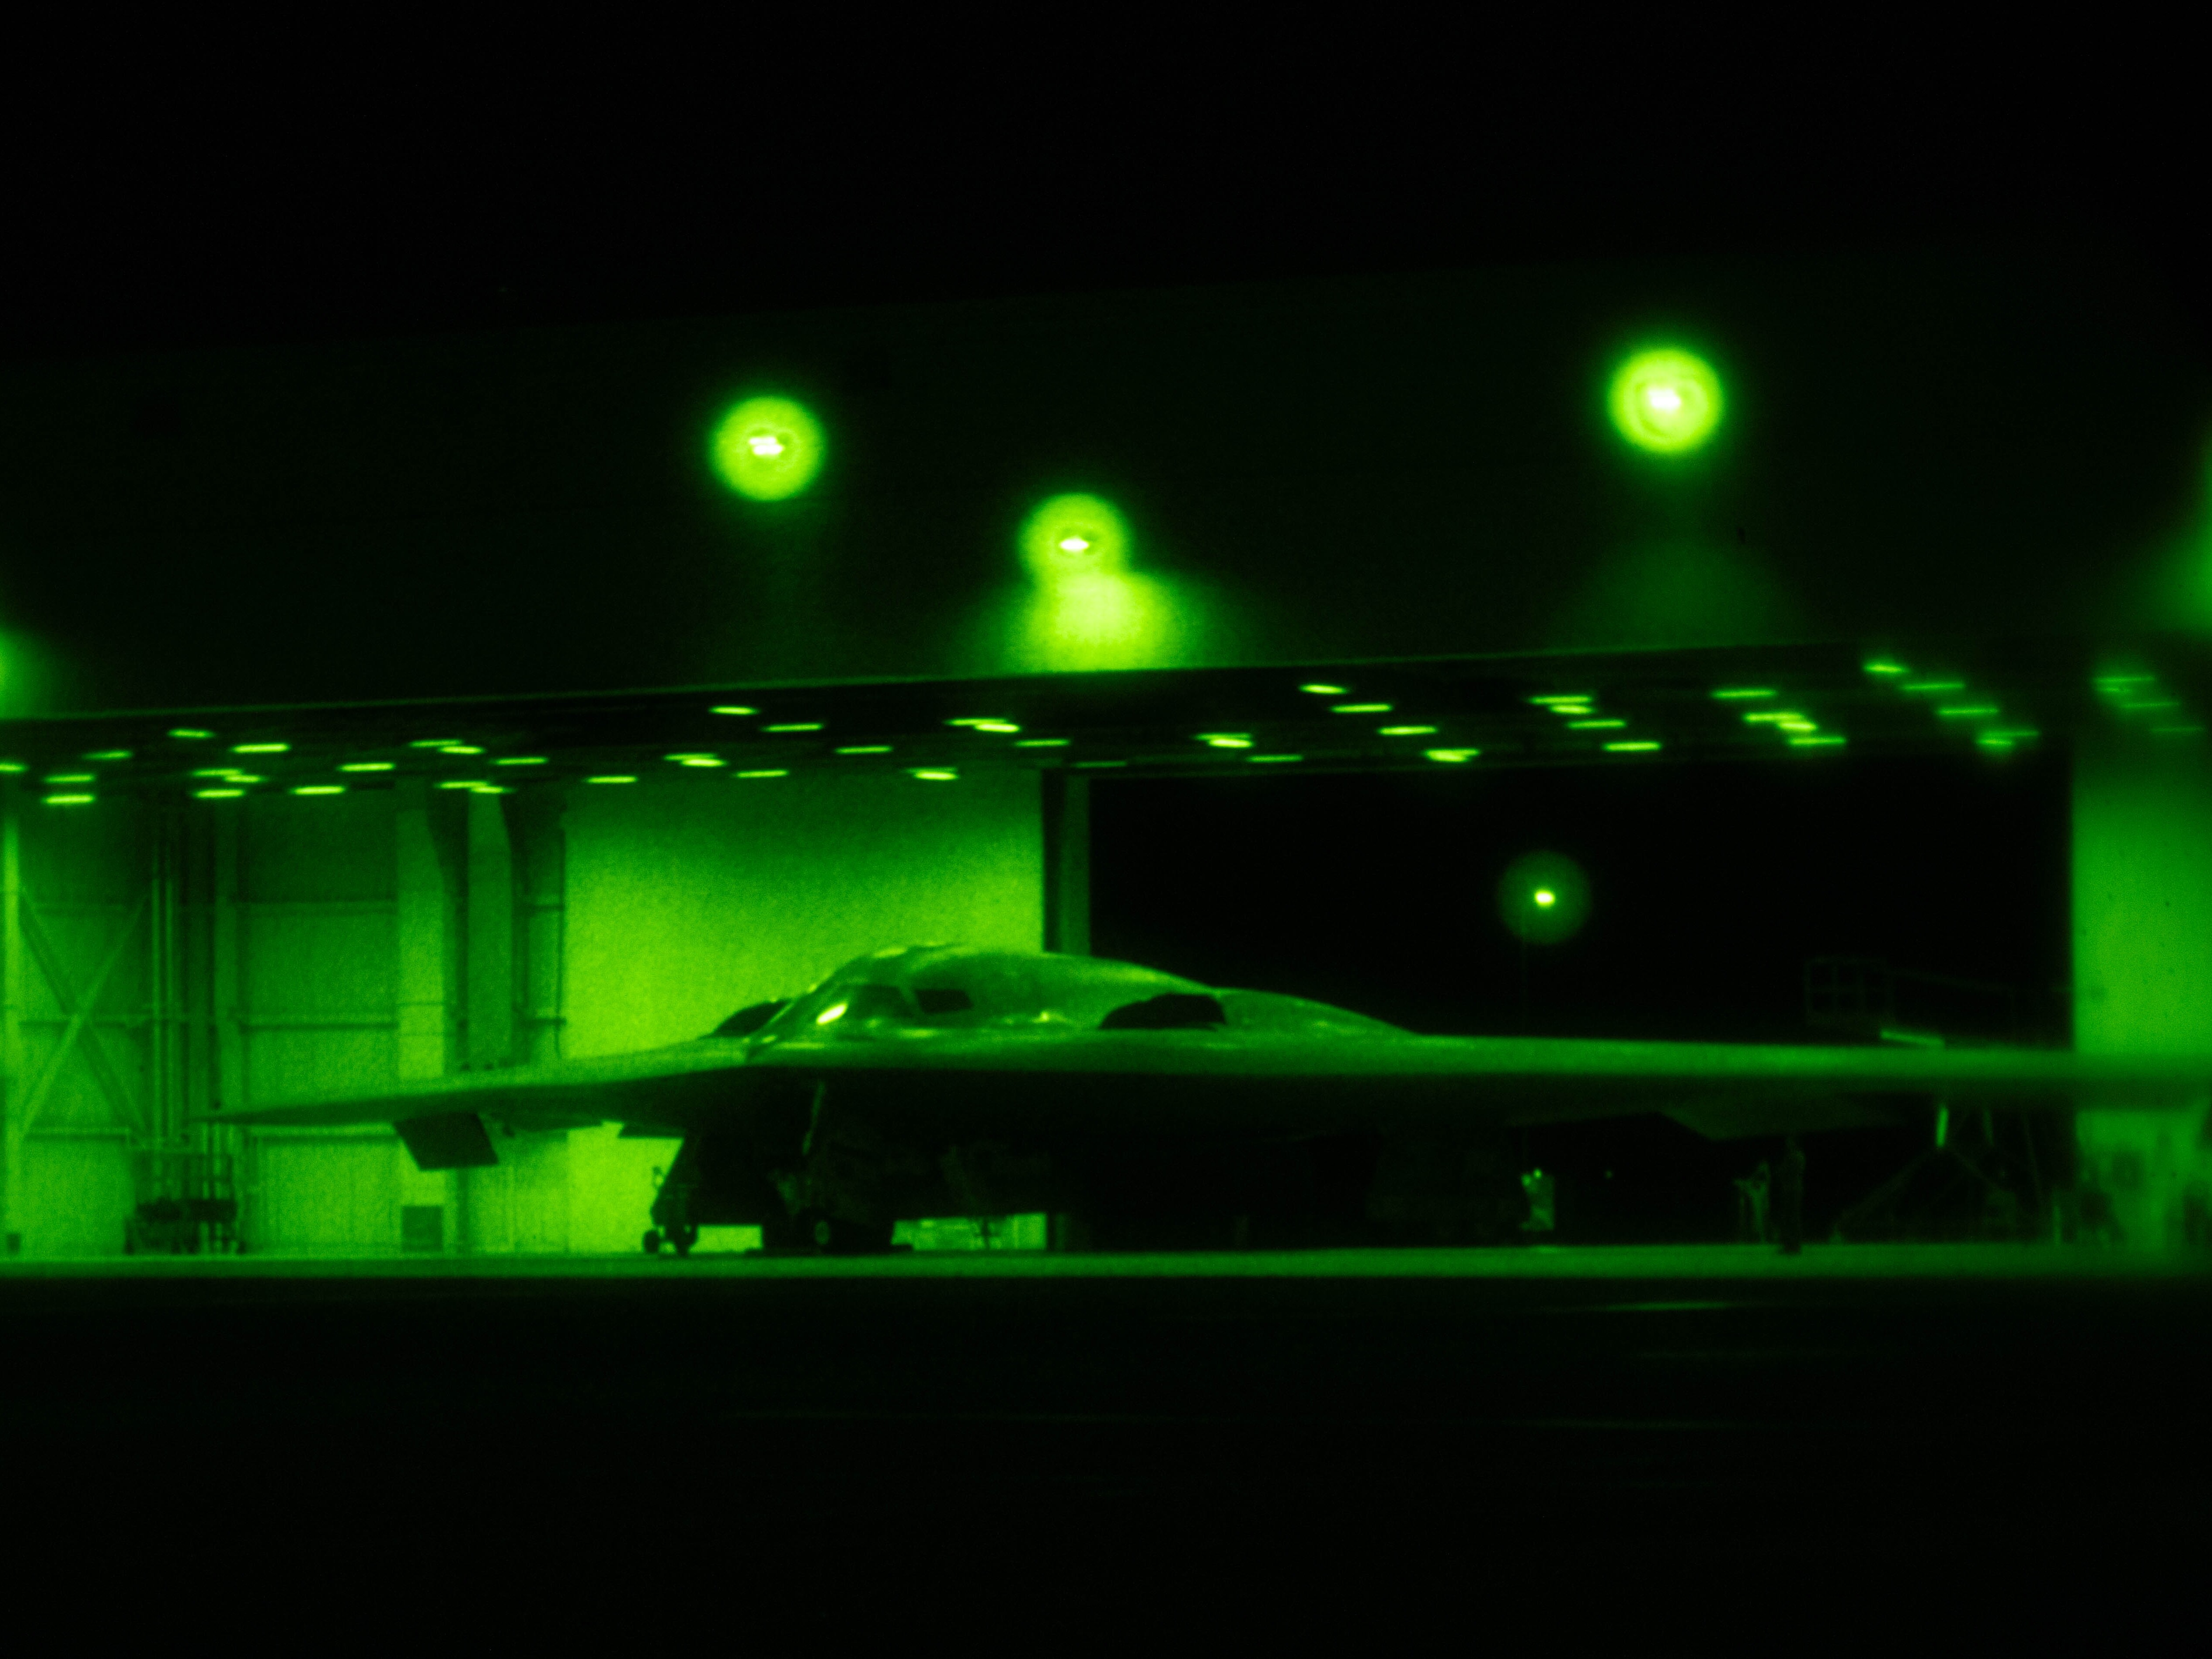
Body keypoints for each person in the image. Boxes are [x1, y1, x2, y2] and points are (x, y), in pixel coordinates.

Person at [1776, 1135, 1807, 1255]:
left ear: (1795, 1143)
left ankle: (1792, 1246)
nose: (1787, 1144)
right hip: (1794, 1189)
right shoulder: (1799, 1156)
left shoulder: (1794, 1156)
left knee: (1791, 1218)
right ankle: (1793, 1245)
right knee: (1792, 1217)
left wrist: (1781, 1171)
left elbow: (1785, 1171)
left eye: (1790, 1141)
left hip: (1791, 1190)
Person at [1734, 1161, 1772, 1243]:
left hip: (1760, 1207)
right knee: (1755, 1220)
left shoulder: (1763, 1187)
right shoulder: (1752, 1185)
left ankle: (1762, 1237)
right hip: (1755, 1208)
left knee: (1760, 1220)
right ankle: (1753, 1237)